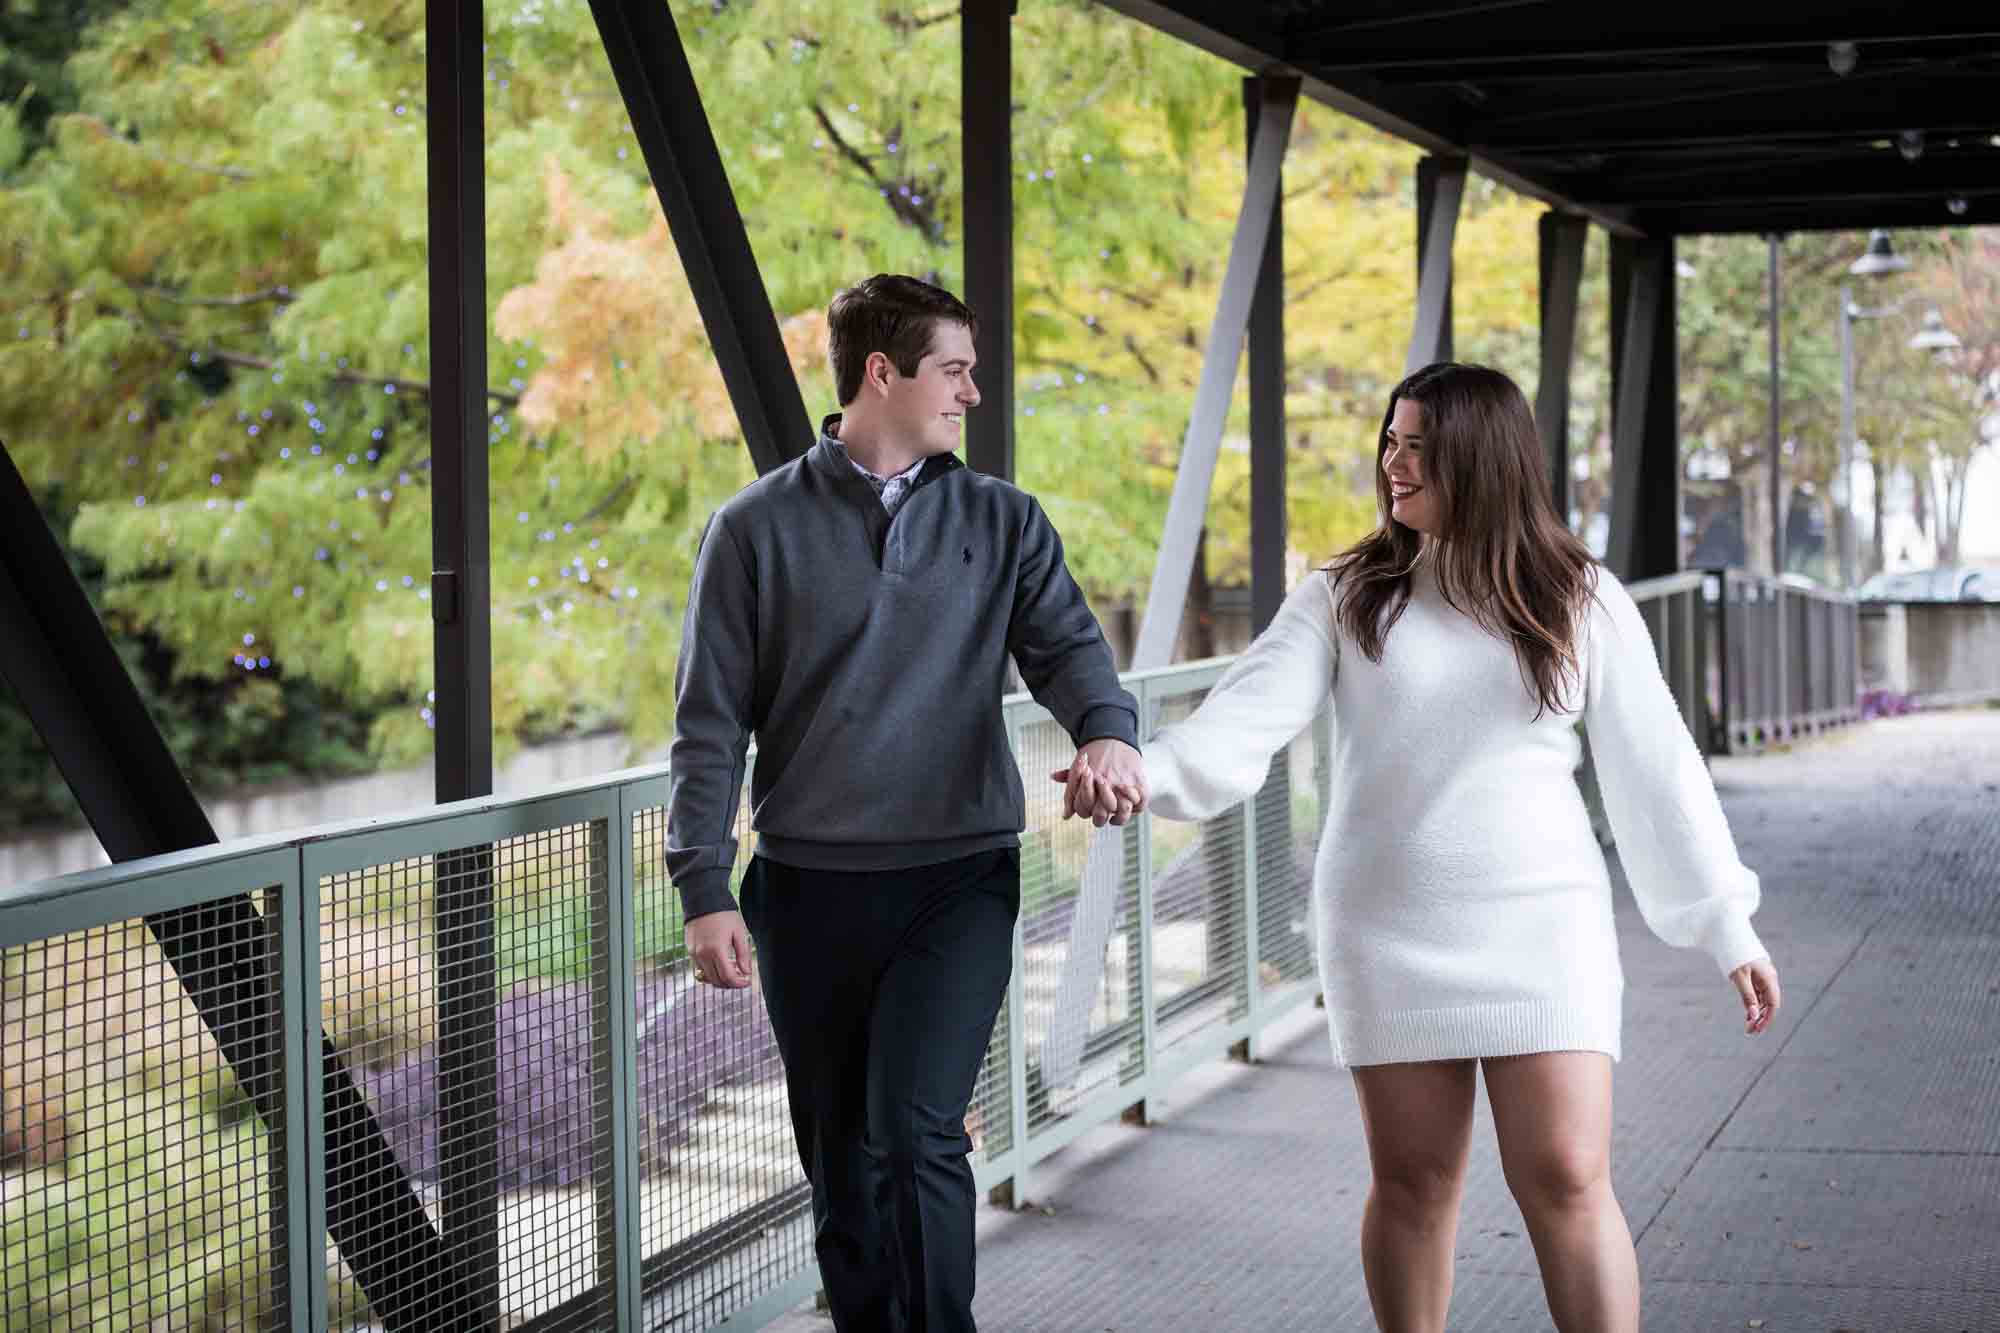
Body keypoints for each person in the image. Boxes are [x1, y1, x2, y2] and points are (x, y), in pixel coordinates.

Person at [1060, 362, 1781, 1333]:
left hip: (1543, 924)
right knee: (1411, 1184)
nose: (1393, 464)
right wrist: (1140, 772)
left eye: (1418, 447)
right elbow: (1239, 724)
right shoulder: (1346, 593)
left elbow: (1655, 765)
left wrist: (1722, 921)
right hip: (1385, 929)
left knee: (1568, 1175)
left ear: (1481, 461)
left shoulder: (1577, 595)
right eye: (1388, 442)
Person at [666, 273, 1146, 1333]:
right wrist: (702, 885)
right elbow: (707, 724)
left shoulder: (1004, 519)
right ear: (880, 374)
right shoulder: (749, 530)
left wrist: (1106, 730)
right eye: (955, 369)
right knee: (840, 1153)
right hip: (804, 890)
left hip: (955, 880)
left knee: (916, 1125)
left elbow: (1069, 652)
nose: (971, 392)